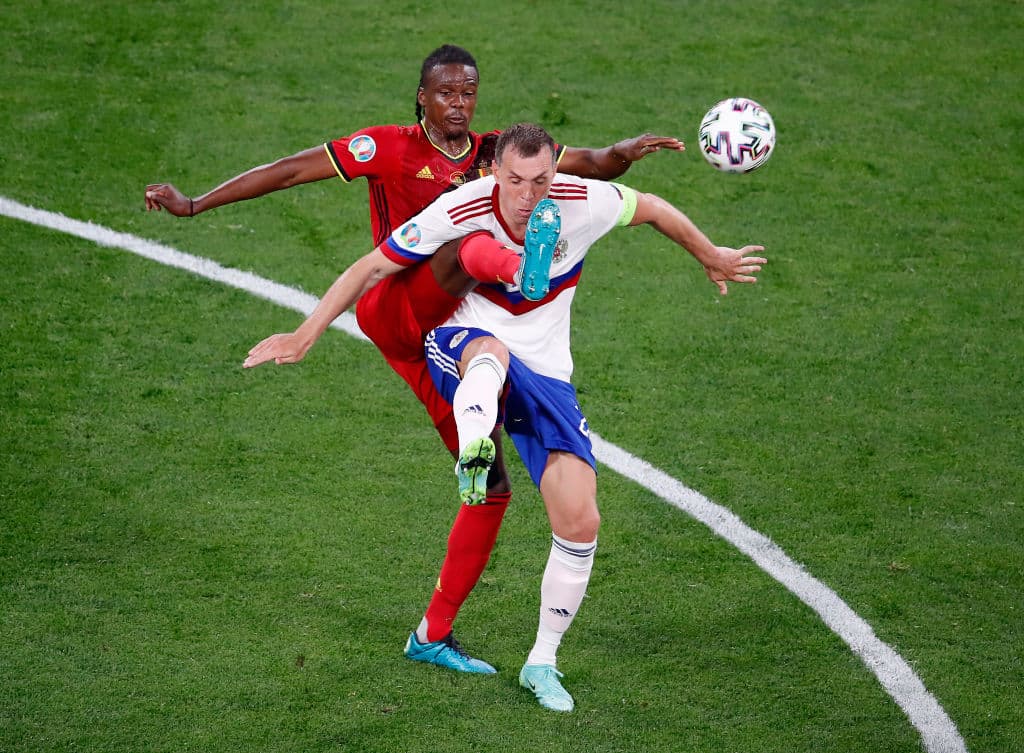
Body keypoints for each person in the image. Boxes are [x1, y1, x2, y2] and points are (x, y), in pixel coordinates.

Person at [147, 44, 686, 674]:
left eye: (468, 94)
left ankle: (432, 633)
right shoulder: (389, 148)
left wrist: (623, 153)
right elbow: (290, 172)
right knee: (473, 241)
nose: (458, 105)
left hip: (439, 342)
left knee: (488, 491)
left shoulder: (499, 156)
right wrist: (196, 205)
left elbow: (586, 166)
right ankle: (522, 270)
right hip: (395, 305)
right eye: (445, 94)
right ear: (422, 97)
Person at [246, 122, 766, 710]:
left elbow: (651, 207)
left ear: (554, 173)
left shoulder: (581, 202)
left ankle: (542, 663)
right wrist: (305, 333)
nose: (527, 194)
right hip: (465, 342)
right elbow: (371, 267)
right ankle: (477, 442)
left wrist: (712, 254)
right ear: (495, 172)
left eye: (540, 179)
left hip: (546, 372)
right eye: (515, 180)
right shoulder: (460, 206)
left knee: (581, 520)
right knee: (488, 356)